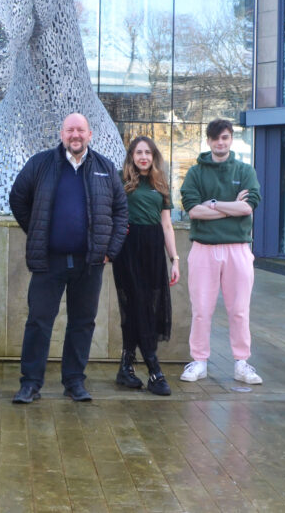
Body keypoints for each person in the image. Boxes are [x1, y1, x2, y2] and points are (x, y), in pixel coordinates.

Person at [8, 112, 128, 404]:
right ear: (62, 134)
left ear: (90, 135)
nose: (75, 135)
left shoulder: (105, 167)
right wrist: (38, 231)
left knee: (83, 322)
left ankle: (74, 381)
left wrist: (110, 250)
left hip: (90, 262)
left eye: (80, 130)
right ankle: (31, 384)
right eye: (70, 130)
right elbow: (17, 198)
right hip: (49, 261)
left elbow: (121, 211)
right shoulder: (41, 164)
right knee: (38, 322)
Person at [179, 118, 263, 386]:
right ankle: (200, 361)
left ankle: (241, 363)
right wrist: (229, 207)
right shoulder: (195, 173)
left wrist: (212, 204)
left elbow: (248, 207)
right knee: (201, 309)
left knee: (239, 309)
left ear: (230, 139)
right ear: (208, 141)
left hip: (238, 248)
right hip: (204, 248)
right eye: (216, 138)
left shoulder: (245, 170)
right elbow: (193, 210)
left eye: (225, 137)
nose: (220, 142)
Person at [112, 136, 180, 396]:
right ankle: (154, 370)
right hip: (128, 248)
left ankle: (126, 368)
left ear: (153, 157)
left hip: (153, 249)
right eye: (138, 152)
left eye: (148, 153)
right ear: (131, 156)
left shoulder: (160, 183)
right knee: (138, 304)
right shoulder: (120, 180)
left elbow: (166, 225)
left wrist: (174, 259)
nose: (143, 157)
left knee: (144, 306)